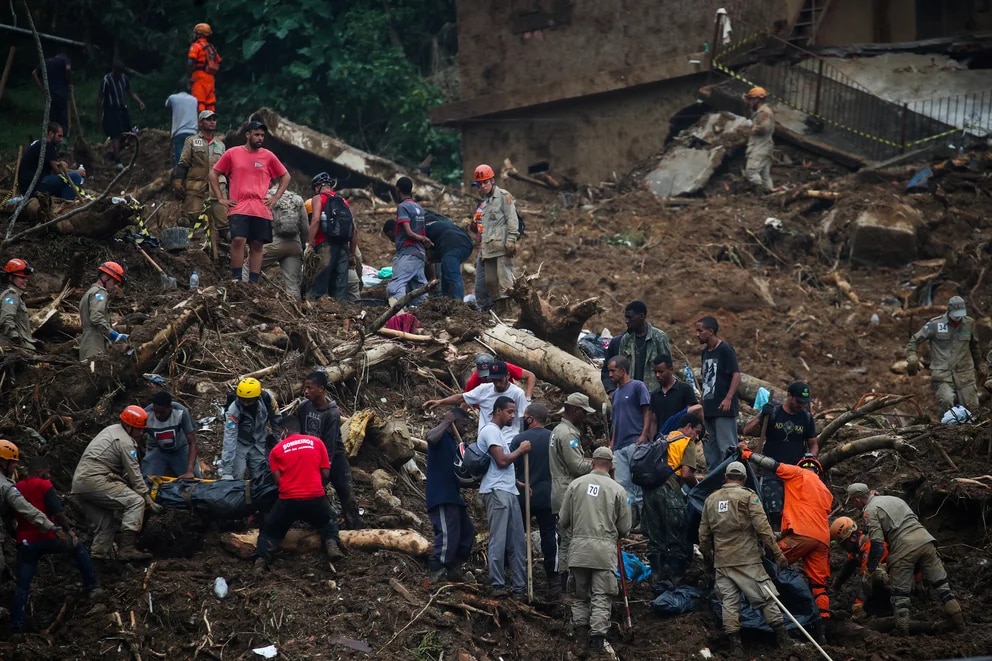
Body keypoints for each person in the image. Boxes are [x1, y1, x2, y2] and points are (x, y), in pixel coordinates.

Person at [698, 461, 795, 654]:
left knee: (729, 603)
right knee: (766, 598)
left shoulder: (710, 500)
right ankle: (784, 640)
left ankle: (736, 647)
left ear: (725, 477)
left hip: (723, 561)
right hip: (748, 558)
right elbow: (763, 529)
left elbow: (703, 534)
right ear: (744, 479)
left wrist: (709, 558)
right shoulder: (749, 497)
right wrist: (778, 554)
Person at [845, 482, 964, 633]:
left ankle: (903, 634)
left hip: (904, 548)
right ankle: (959, 624)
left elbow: (877, 545)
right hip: (925, 540)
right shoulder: (894, 499)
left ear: (856, 500)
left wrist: (870, 570)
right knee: (942, 586)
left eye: (853, 503)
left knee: (900, 595)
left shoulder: (870, 511)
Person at [742, 450, 833, 642]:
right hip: (822, 538)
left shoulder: (798, 473)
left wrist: (748, 454)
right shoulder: (825, 491)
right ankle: (822, 630)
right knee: (818, 585)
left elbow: (772, 464)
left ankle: (761, 610)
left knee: (768, 561)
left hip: (801, 533)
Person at [13, 455, 101, 633]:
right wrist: (69, 532)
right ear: (39, 472)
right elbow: (58, 513)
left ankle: (18, 625)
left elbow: (9, 515)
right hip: (48, 537)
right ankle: (92, 587)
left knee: (22, 585)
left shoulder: (16, 488)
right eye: (48, 472)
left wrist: (16, 534)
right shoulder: (44, 485)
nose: (49, 476)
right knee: (78, 547)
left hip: (26, 543)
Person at [559, 446, 631, 655]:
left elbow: (563, 520)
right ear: (611, 466)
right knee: (602, 594)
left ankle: (580, 634)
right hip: (604, 552)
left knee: (580, 595)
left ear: (592, 462)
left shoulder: (575, 485)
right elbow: (625, 528)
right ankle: (597, 640)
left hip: (579, 550)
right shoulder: (617, 489)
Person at [71, 406, 163, 561]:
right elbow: (134, 474)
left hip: (80, 485)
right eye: (138, 430)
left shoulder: (111, 430)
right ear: (128, 426)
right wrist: (146, 497)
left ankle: (99, 559)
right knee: (136, 502)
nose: (141, 434)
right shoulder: (126, 442)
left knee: (106, 524)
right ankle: (127, 548)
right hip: (95, 480)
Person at [253, 416, 344, 571]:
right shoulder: (317, 442)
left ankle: (261, 560)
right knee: (328, 519)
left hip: (289, 499)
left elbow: (277, 481)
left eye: (280, 432)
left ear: (285, 431)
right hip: (315, 497)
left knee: (269, 530)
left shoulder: (276, 450)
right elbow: (326, 474)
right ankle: (331, 544)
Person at [210, 120, 291, 283]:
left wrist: (275, 198)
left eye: (262, 135)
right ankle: (236, 279)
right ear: (248, 135)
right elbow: (214, 173)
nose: (260, 138)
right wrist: (220, 197)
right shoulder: (233, 153)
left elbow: (285, 176)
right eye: (256, 135)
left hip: (261, 208)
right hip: (239, 205)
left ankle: (254, 281)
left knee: (257, 244)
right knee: (238, 240)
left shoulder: (268, 156)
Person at [478, 396, 532, 596]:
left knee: (517, 540)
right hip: (496, 492)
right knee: (499, 539)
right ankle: (497, 585)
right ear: (498, 411)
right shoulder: (491, 430)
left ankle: (519, 587)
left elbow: (500, 466)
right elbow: (501, 461)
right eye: (509, 412)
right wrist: (521, 449)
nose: (513, 416)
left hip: (508, 490)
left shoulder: (499, 433)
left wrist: (517, 483)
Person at [749, 381, 818, 530]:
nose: (801, 405)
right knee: (774, 511)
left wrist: (810, 459)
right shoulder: (774, 413)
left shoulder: (806, 418)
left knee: (794, 511)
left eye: (804, 402)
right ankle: (774, 543)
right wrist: (761, 416)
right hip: (772, 470)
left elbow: (813, 443)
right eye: (798, 401)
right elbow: (747, 430)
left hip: (795, 472)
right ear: (788, 396)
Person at [298, 371, 363, 529]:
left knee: (346, 494)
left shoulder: (332, 413)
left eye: (310, 388)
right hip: (311, 458)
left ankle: (356, 530)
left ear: (321, 389)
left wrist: (325, 467)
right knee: (316, 495)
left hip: (334, 458)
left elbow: (329, 444)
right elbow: (296, 429)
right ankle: (324, 526)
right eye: (305, 388)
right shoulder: (304, 407)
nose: (306, 391)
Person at [643, 413, 701, 587]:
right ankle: (676, 580)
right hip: (670, 491)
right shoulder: (686, 442)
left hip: (650, 492)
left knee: (655, 538)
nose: (696, 437)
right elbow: (686, 473)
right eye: (697, 432)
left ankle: (657, 579)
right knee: (677, 536)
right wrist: (697, 485)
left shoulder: (664, 438)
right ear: (689, 427)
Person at [0, 442, 69, 585]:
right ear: (4, 463)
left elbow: (6, 517)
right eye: (13, 463)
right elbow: (26, 509)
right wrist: (51, 527)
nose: (15, 468)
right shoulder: (6, 486)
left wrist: (13, 532)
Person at [905, 296, 982, 415]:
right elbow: (914, 341)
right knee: (947, 402)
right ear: (949, 310)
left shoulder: (969, 323)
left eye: (960, 314)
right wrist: (912, 358)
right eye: (955, 314)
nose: (957, 318)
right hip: (942, 376)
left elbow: (975, 347)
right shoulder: (934, 324)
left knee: (973, 408)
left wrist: (980, 365)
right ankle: (946, 430)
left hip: (965, 375)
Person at [549, 393, 595, 590]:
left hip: (559, 490)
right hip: (568, 491)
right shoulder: (568, 434)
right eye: (583, 413)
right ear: (575, 410)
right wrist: (597, 464)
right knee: (571, 539)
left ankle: (565, 579)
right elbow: (576, 465)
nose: (585, 417)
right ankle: (569, 582)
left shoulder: (557, 430)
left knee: (565, 538)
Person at [509, 403, 558, 588]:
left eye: (525, 416)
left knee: (518, 535)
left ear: (531, 419)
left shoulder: (519, 439)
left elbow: (510, 468)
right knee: (548, 534)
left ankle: (517, 573)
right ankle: (551, 574)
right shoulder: (554, 438)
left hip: (524, 494)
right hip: (548, 495)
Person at [424, 408, 475, 583]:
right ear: (454, 422)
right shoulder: (440, 437)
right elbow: (430, 437)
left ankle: (454, 564)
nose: (466, 429)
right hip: (441, 494)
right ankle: (437, 566)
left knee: (467, 531)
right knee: (448, 532)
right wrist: (445, 422)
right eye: (463, 425)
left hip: (453, 494)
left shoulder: (454, 442)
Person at [426, 361, 530, 441]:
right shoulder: (484, 389)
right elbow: (462, 398)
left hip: (507, 440)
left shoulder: (517, 393)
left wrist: (520, 440)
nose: (497, 384)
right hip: (485, 440)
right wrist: (440, 402)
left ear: (507, 376)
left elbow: (523, 418)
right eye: (494, 380)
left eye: (500, 380)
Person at [607, 355, 650, 523]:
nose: (610, 375)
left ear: (622, 371)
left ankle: (643, 521)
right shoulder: (616, 394)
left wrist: (644, 435)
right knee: (623, 485)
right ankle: (630, 521)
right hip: (619, 445)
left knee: (638, 484)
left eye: (612, 371)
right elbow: (615, 421)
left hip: (635, 442)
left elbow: (647, 412)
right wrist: (612, 442)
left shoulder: (637, 387)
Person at [174, 110, 228, 243]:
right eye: (208, 119)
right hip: (196, 186)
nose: (212, 121)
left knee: (225, 225)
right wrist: (177, 181)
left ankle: (226, 255)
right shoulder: (191, 141)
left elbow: (226, 169)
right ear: (200, 122)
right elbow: (183, 163)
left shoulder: (220, 145)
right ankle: (182, 252)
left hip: (218, 189)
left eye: (214, 119)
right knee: (186, 220)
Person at [472, 164, 520, 314]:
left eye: (485, 182)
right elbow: (481, 228)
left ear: (492, 180)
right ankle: (497, 313)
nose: (482, 186)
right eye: (479, 184)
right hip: (488, 249)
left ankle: (507, 314)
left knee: (505, 284)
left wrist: (511, 240)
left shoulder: (504, 196)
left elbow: (512, 219)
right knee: (490, 283)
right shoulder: (483, 204)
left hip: (502, 248)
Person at [246, 185, 308, 299]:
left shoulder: (266, 197)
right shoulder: (297, 199)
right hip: (294, 245)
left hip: (273, 242)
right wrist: (302, 245)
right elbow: (305, 227)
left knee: (247, 267)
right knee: (293, 284)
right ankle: (295, 310)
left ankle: (243, 295)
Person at [696, 316, 741, 470]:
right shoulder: (705, 353)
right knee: (710, 452)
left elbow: (736, 374)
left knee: (728, 449)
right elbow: (707, 379)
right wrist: (702, 402)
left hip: (723, 410)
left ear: (710, 331)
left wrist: (728, 398)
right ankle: (712, 485)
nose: (697, 334)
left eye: (700, 331)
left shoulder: (725, 350)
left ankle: (733, 481)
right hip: (708, 409)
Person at [601, 301, 672, 394]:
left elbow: (667, 368)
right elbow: (620, 369)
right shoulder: (626, 339)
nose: (627, 321)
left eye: (630, 317)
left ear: (642, 316)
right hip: (631, 394)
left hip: (653, 394)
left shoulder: (659, 338)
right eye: (626, 317)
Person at [308, 172, 358, 302]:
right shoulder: (343, 201)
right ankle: (339, 312)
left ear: (318, 186)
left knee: (320, 280)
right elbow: (354, 228)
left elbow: (316, 220)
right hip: (343, 246)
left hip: (325, 244)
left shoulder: (318, 198)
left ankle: (316, 311)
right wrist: (352, 254)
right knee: (340, 283)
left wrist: (309, 243)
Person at [219, 378, 281, 480]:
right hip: (240, 444)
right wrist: (227, 471)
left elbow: (277, 420)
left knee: (261, 478)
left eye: (249, 401)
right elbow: (229, 438)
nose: (245, 404)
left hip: (260, 443)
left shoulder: (267, 400)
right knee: (237, 475)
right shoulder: (233, 411)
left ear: (257, 398)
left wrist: (279, 444)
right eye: (242, 400)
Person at [830, 516, 891, 619]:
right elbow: (849, 566)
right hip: (884, 577)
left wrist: (858, 604)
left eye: (844, 544)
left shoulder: (870, 546)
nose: (843, 548)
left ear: (853, 538)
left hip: (898, 579)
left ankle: (885, 609)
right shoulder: (858, 547)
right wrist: (835, 586)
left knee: (875, 577)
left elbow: (866, 577)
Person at [384, 177, 431, 306]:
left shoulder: (403, 207)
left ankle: (398, 316)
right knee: (419, 290)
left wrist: (421, 238)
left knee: (395, 288)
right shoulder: (419, 208)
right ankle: (426, 315)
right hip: (419, 254)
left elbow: (409, 232)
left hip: (408, 252)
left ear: (397, 190)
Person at [16, 122, 85, 200]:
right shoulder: (48, 145)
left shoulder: (41, 145)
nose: (61, 139)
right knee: (75, 177)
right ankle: (67, 203)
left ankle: (61, 201)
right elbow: (58, 171)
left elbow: (55, 168)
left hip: (27, 188)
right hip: (34, 186)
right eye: (59, 136)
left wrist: (63, 166)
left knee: (64, 182)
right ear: (51, 133)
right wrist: (77, 172)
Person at [98, 60, 144, 170]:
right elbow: (100, 98)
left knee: (128, 133)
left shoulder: (124, 79)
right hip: (111, 111)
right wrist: (99, 116)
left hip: (122, 109)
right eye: (118, 72)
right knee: (115, 135)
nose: (119, 75)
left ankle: (116, 154)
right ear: (114, 70)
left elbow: (130, 92)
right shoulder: (107, 80)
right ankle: (117, 161)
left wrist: (139, 102)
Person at [142, 391, 200, 479]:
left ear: (170, 408)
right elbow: (135, 438)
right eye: (156, 411)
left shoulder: (180, 412)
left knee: (194, 480)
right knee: (147, 480)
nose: (158, 415)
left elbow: (192, 442)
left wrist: (190, 470)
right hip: (157, 449)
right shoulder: (146, 413)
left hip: (180, 449)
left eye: (162, 412)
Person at [78, 261, 128, 362]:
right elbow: (96, 316)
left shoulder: (90, 292)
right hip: (95, 343)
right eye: (115, 282)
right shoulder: (100, 293)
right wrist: (113, 334)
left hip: (87, 342)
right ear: (105, 277)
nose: (116, 286)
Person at [647, 354, 699, 439]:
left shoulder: (685, 389)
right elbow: (654, 421)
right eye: (655, 372)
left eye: (661, 371)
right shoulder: (655, 394)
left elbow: (692, 415)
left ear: (671, 370)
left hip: (681, 440)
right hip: (662, 441)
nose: (657, 375)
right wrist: (653, 441)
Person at [424, 213, 473, 300]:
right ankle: (446, 301)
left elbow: (427, 256)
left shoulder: (424, 229)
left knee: (452, 276)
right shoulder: (443, 226)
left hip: (453, 246)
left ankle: (458, 304)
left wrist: (432, 277)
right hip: (466, 244)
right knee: (446, 273)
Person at [32, 49, 72, 134]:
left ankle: (52, 138)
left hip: (50, 95)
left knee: (53, 118)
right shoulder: (65, 59)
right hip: (61, 94)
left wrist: (42, 88)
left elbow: (34, 73)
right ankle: (62, 138)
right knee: (63, 119)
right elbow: (68, 69)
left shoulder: (46, 62)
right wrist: (68, 83)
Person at [463, 353, 536, 399]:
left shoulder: (504, 367)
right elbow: (465, 398)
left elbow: (530, 376)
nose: (487, 378)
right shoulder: (475, 378)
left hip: (510, 398)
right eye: (484, 376)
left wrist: (528, 397)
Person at [1, 259, 38, 349]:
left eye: (26, 278)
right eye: (21, 278)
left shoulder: (17, 296)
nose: (25, 280)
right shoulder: (11, 296)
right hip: (19, 345)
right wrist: (15, 337)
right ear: (11, 278)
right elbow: (6, 318)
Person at [744, 86, 775, 193]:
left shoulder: (763, 112)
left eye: (751, 99)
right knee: (764, 174)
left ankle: (761, 194)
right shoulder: (761, 112)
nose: (750, 102)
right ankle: (770, 194)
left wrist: (751, 127)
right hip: (765, 146)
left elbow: (764, 128)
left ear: (757, 99)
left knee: (751, 171)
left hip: (760, 147)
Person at [187, 23, 221, 112]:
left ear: (199, 34)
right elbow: (218, 61)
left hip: (199, 77)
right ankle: (211, 122)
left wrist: (190, 75)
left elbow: (191, 62)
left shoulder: (196, 46)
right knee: (210, 103)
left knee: (199, 102)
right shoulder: (211, 47)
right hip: (210, 78)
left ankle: (201, 123)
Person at [165, 81, 199, 164]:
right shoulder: (194, 99)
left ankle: (181, 174)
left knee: (181, 159)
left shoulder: (173, 98)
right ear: (188, 88)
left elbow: (166, 105)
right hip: (193, 132)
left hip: (179, 132)